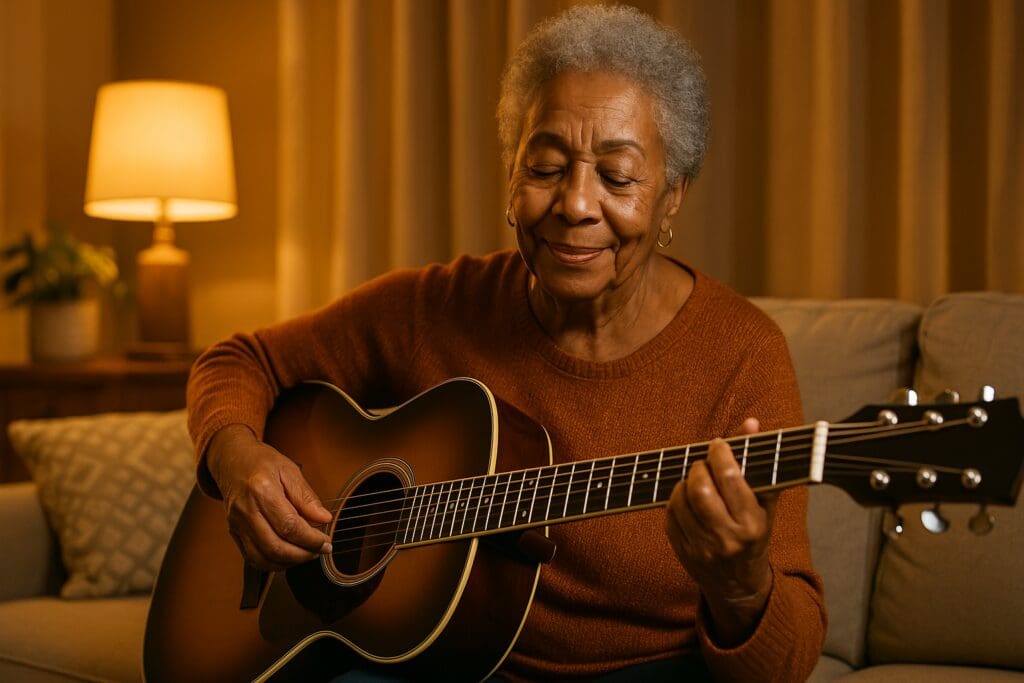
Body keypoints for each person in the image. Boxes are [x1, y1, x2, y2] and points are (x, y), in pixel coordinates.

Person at [187, 5, 826, 681]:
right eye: (547, 166)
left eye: (617, 176)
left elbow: (785, 664)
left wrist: (741, 587)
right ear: (511, 177)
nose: (576, 204)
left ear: (671, 198)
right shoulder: (436, 307)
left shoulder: (742, 354)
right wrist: (239, 458)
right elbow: (238, 361)